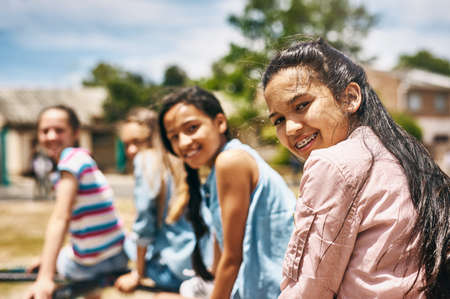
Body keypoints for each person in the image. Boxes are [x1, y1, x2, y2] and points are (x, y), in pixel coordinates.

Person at [262, 38, 450, 298]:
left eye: (302, 105)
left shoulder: (332, 163)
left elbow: (309, 290)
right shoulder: (398, 154)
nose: (291, 128)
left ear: (349, 98)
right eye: (279, 120)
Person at [157, 86, 296, 299]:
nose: (183, 142)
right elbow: (221, 251)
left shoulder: (231, 161)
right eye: (174, 137)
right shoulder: (219, 168)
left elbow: (232, 259)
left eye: (192, 128)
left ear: (220, 122)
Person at [25, 105, 128, 299]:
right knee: (68, 253)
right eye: (45, 131)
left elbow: (60, 217)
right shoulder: (84, 159)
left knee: (66, 259)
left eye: (59, 130)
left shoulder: (70, 160)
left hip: (90, 263)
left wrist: (45, 276)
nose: (51, 136)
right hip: (118, 255)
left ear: (75, 133)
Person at [115, 107, 203, 293]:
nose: (131, 150)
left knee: (122, 241)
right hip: (196, 264)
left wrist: (138, 273)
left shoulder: (145, 161)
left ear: (154, 138)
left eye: (138, 142)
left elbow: (144, 223)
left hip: (172, 269)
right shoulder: (177, 161)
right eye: (126, 144)